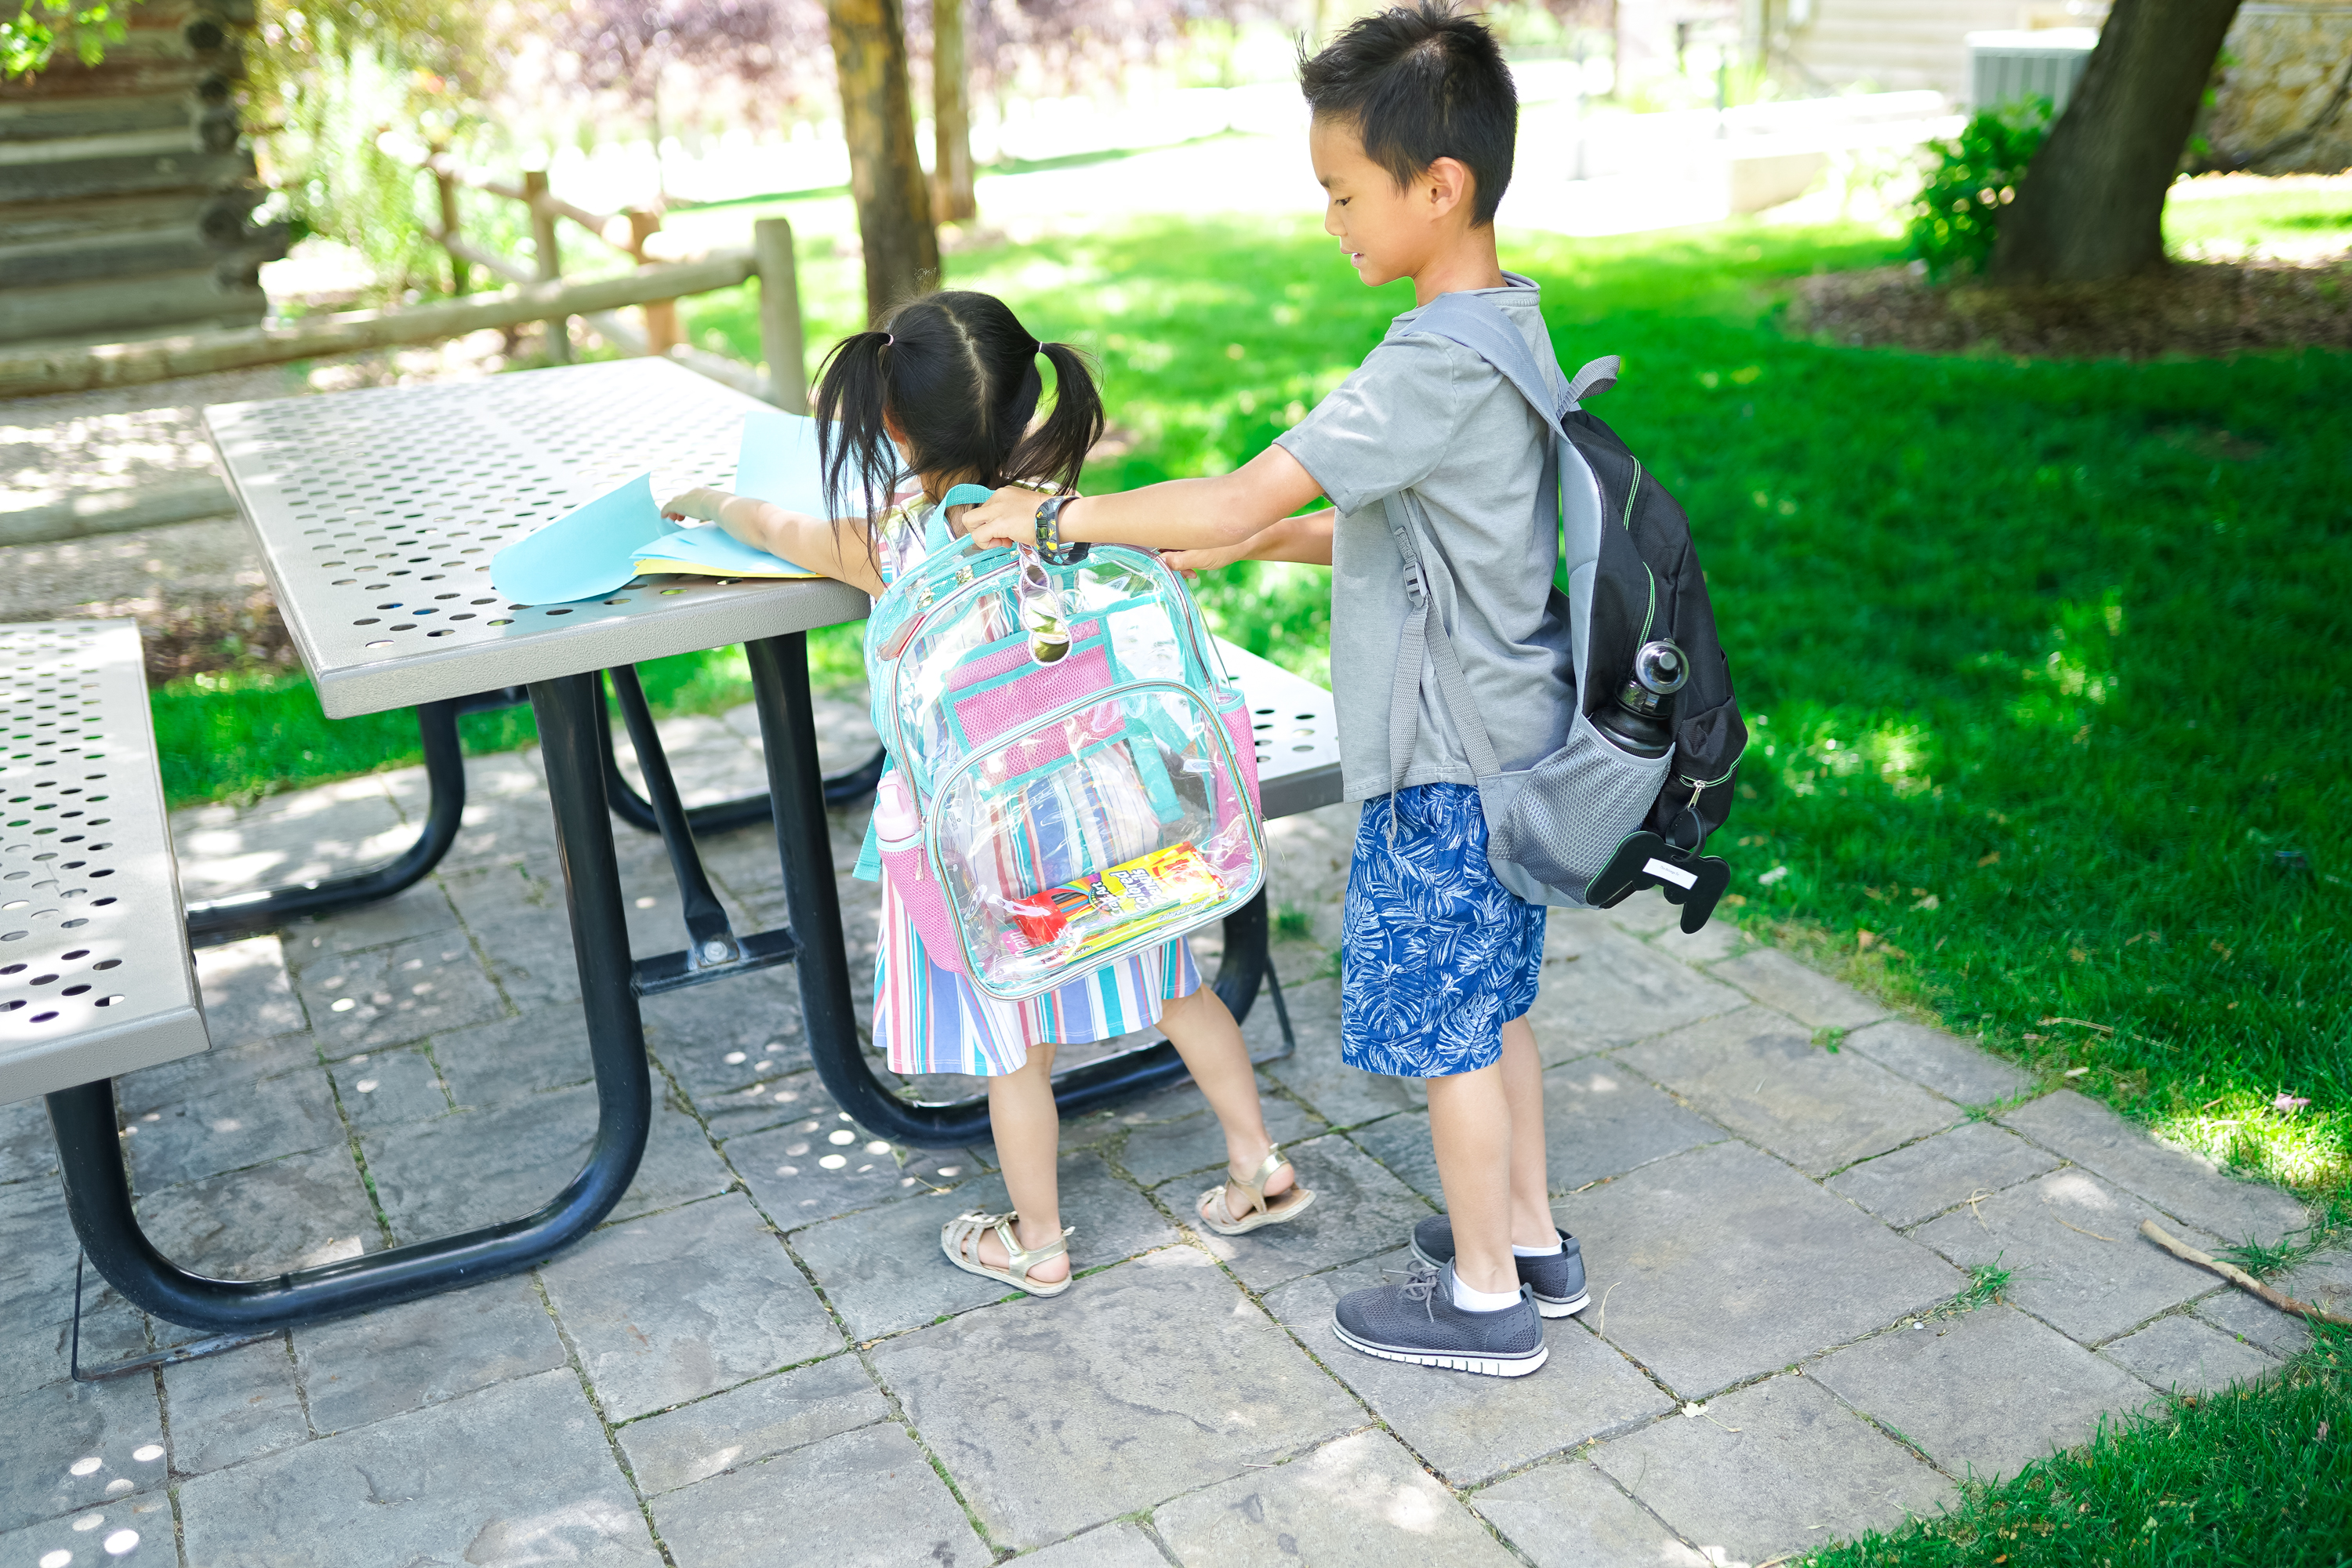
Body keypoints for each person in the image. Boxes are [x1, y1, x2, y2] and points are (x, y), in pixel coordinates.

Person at [965, 5, 1584, 1374]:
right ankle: (1532, 1239)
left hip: (1441, 757)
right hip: (1512, 738)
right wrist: (1239, 538)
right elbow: (1398, 524)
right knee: (1496, 1003)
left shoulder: (1426, 360)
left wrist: (1062, 519)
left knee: (1450, 1033)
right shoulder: (1508, 326)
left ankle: (1487, 1300)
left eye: (1342, 194)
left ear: (1441, 187)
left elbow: (1258, 480)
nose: (1330, 223)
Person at [660, 290, 1314, 1298]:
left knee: (1016, 1046)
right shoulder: (1061, 512)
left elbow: (774, 522)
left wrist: (708, 502)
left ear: (889, 425)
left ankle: (1038, 1238)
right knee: (1180, 986)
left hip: (988, 837)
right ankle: (1257, 1162)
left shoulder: (892, 541)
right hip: (1106, 802)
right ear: (1022, 408)